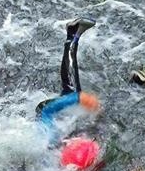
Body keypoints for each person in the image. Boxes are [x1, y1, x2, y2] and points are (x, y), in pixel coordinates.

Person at [35, 18, 101, 148]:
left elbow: (43, 110)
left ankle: (72, 35)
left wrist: (76, 98)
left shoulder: (49, 142)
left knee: (73, 94)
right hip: (67, 120)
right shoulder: (65, 156)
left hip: (52, 113)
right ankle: (72, 35)